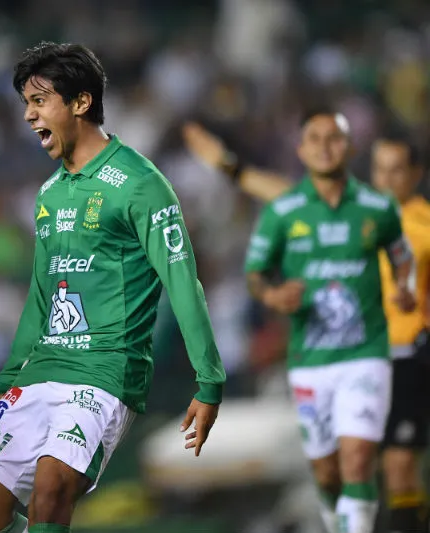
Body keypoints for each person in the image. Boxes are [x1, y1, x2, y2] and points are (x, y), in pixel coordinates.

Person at [0, 42, 227, 533]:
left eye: (39, 101)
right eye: (25, 103)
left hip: (105, 368)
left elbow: (182, 281)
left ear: (81, 102)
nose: (27, 115)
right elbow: (41, 296)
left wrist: (209, 379)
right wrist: (5, 383)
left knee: (52, 486)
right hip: (41, 367)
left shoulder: (141, 184)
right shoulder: (48, 193)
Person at [184, 122, 430, 533]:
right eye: (380, 169)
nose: (386, 178)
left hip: (400, 355)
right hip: (336, 356)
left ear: (416, 174)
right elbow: (280, 192)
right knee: (339, 471)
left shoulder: (422, 225)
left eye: (397, 170)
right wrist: (229, 165)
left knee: (399, 468)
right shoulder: (350, 208)